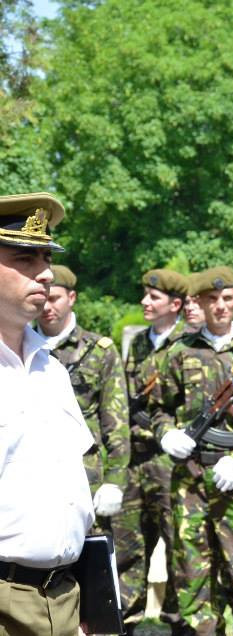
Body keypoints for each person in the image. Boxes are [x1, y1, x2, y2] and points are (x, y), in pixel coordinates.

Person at [150, 266, 233, 635]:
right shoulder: (179, 352)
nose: (220, 306)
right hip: (189, 483)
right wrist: (166, 434)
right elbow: (158, 409)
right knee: (193, 582)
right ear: (198, 302)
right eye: (212, 299)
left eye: (227, 298)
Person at [0, 192, 95, 635]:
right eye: (25, 258)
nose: (45, 273)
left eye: (46, 258)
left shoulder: (50, 367)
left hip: (63, 596)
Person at [118, 267, 190, 628]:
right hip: (136, 458)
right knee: (128, 545)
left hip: (170, 462)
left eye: (154, 297)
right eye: (145, 294)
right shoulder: (139, 343)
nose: (145, 301)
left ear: (175, 304)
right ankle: (126, 621)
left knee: (177, 546)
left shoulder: (190, 342)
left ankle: (178, 621)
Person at [35, 264, 131, 533]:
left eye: (55, 298)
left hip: (87, 478)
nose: (47, 307)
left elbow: (116, 420)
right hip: (35, 477)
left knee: (90, 553)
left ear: (72, 298)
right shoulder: (19, 347)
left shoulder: (99, 351)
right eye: (43, 298)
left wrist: (115, 480)